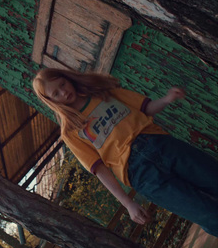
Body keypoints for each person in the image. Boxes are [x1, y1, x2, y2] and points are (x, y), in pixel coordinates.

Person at [32, 68, 218, 237]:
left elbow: (146, 108)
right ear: (51, 101)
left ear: (67, 78)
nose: (64, 92)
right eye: (56, 93)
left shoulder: (103, 93)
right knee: (207, 214)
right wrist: (128, 204)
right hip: (141, 174)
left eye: (62, 84)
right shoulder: (70, 131)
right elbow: (100, 170)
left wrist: (167, 98)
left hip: (162, 145)